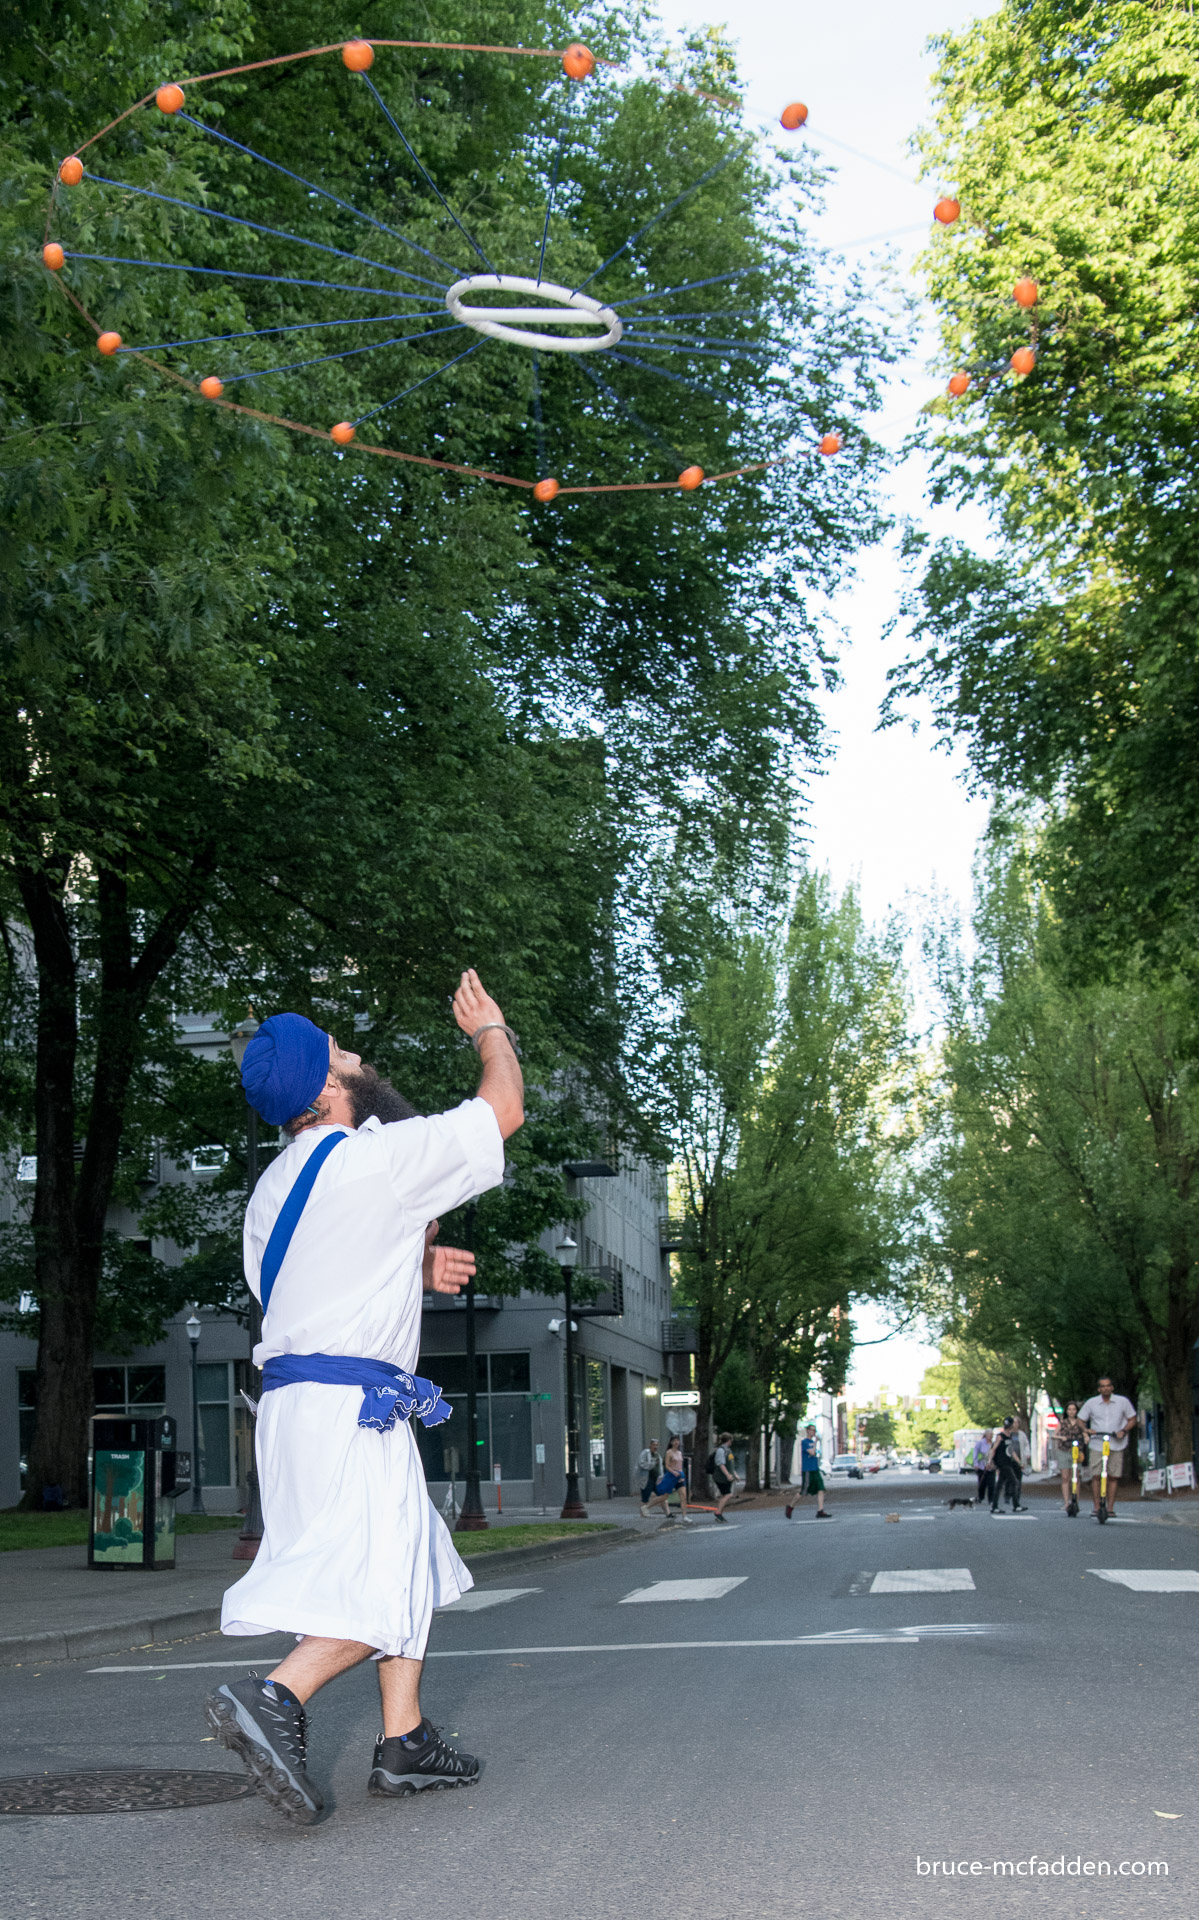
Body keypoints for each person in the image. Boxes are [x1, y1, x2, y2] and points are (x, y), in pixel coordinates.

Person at [205, 970, 523, 1824]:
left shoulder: (274, 1189)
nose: (356, 1055)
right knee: (378, 1585)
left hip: (300, 1408)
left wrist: (413, 1265)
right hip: (353, 1410)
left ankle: (403, 1739)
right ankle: (274, 1696)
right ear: (324, 1087)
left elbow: (318, 1279)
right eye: (341, 1052)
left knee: (408, 1553)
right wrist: (492, 1033)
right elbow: (501, 1114)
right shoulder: (372, 1159)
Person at [1077, 1376, 1137, 1519]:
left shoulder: (1123, 1402)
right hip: (1097, 1442)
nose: (1105, 1388)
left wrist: (1123, 1431)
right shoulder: (1092, 1403)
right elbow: (1080, 1420)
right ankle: (1097, 1506)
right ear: (1099, 1389)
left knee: (1114, 1476)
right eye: (1102, 1386)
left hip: (1116, 1443)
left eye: (1108, 1385)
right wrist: (1086, 1429)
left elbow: (1132, 1418)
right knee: (1096, 1475)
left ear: (1112, 1387)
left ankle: (1110, 1508)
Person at [785, 1424, 832, 1519]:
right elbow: (812, 1453)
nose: (814, 1432)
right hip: (808, 1471)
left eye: (815, 1430)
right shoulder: (805, 1442)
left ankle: (820, 1510)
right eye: (812, 1430)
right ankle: (790, 1506)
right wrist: (815, 1442)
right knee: (803, 1492)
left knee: (821, 1489)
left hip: (815, 1469)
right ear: (808, 1431)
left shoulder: (812, 1442)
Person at [644, 1436, 691, 1521]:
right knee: (664, 1497)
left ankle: (684, 1516)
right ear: (671, 1442)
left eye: (678, 1441)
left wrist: (681, 1476)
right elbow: (667, 1465)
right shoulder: (669, 1452)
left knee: (683, 1496)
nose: (676, 1442)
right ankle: (646, 1507)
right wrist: (674, 1472)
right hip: (672, 1476)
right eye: (674, 1441)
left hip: (680, 1476)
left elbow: (680, 1466)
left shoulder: (680, 1453)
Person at [1055, 1402, 1089, 1512]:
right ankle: (1066, 1502)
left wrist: (1086, 1437)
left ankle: (1076, 1501)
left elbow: (1085, 1433)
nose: (1071, 1411)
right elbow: (1054, 1434)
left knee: (1076, 1476)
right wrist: (1061, 1437)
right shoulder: (1062, 1422)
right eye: (1069, 1409)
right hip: (1064, 1450)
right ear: (1066, 1411)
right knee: (1065, 1477)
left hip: (1076, 1451)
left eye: (1074, 1409)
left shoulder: (1080, 1423)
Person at [988, 1418, 1022, 1513]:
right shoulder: (1000, 1436)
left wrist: (1019, 1462)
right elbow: (993, 1449)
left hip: (1007, 1462)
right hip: (1002, 1463)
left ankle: (994, 1506)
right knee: (1014, 1481)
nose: (1014, 1425)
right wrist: (989, 1461)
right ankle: (1016, 1505)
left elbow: (1011, 1451)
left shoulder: (1009, 1436)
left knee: (999, 1485)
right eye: (1013, 1424)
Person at [711, 1432, 739, 1521]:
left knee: (725, 1495)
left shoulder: (728, 1450)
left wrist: (735, 1474)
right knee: (728, 1494)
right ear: (729, 1440)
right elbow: (721, 1464)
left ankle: (720, 1514)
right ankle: (718, 1512)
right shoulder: (721, 1450)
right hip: (721, 1477)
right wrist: (727, 1475)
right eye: (731, 1440)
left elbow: (729, 1464)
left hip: (727, 1477)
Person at [637, 1438, 661, 1516]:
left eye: (657, 1445)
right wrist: (652, 1464)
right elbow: (641, 1464)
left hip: (655, 1478)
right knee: (645, 1497)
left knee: (661, 1495)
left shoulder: (657, 1454)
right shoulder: (646, 1453)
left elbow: (660, 1466)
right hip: (647, 1478)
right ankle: (643, 1513)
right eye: (654, 1445)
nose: (655, 1447)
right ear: (650, 1445)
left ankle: (668, 1512)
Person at [973, 1430, 995, 1508]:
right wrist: (975, 1463)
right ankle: (980, 1497)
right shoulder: (980, 1443)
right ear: (986, 1435)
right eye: (990, 1434)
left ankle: (991, 1499)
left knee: (991, 1484)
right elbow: (975, 1453)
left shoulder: (993, 1444)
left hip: (991, 1466)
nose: (991, 1436)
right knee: (982, 1483)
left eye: (992, 1435)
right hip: (982, 1466)